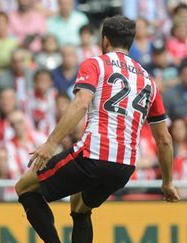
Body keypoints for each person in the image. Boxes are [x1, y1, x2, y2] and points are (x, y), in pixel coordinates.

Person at [15, 15, 180, 243]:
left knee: (25, 188)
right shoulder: (148, 81)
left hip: (92, 156)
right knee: (80, 206)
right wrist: (167, 182)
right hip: (124, 167)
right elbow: (164, 140)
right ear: (130, 42)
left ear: (104, 40)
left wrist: (51, 143)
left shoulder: (96, 64)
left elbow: (81, 103)